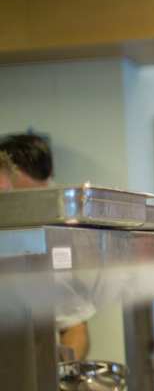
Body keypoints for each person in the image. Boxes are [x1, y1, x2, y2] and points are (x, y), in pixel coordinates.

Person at [0, 132, 90, 360]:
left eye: (40, 200)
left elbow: (73, 324)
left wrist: (64, 371)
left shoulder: (47, 247)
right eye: (21, 200)